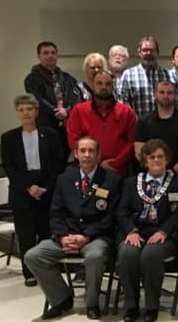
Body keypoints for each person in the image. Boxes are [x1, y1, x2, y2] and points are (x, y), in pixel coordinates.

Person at [24, 137, 119, 320]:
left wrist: (86, 236)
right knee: (33, 256)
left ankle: (92, 304)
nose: (87, 155)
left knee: (95, 257)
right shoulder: (64, 179)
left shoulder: (111, 180)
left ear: (99, 155)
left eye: (91, 151)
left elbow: (111, 217)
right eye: (82, 151)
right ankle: (61, 299)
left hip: (95, 237)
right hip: (66, 236)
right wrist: (62, 237)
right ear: (76, 154)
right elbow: (55, 213)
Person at [116, 140, 178, 322]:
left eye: (160, 157)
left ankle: (151, 307)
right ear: (145, 161)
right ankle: (131, 306)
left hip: (166, 235)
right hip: (137, 232)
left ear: (167, 160)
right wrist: (131, 231)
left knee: (150, 254)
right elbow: (122, 211)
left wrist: (164, 231)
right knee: (126, 253)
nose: (156, 160)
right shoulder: (131, 183)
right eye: (151, 157)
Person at [1, 94, 65, 287]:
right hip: (22, 192)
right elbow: (10, 167)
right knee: (26, 235)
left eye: (29, 109)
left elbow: (58, 163)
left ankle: (50, 270)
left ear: (36, 111)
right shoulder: (8, 138)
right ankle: (29, 273)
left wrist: (45, 187)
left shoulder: (50, 135)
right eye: (21, 110)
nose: (26, 113)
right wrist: (29, 186)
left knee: (47, 233)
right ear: (17, 113)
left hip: (47, 190)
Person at [66, 71, 137, 175]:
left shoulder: (126, 112)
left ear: (113, 86)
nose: (104, 87)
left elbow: (132, 142)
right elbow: (73, 141)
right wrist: (93, 163)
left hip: (118, 170)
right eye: (99, 83)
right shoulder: (78, 110)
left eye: (108, 84)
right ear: (92, 85)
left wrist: (115, 163)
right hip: (87, 169)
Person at [24, 41, 82, 156]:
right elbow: (37, 99)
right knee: (47, 158)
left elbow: (76, 97)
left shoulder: (67, 78)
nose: (50, 56)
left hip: (67, 125)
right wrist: (56, 111)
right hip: (45, 125)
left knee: (64, 158)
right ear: (39, 56)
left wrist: (67, 111)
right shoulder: (32, 79)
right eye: (45, 53)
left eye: (53, 53)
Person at [134, 81, 178, 178]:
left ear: (175, 96)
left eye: (169, 93)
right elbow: (139, 152)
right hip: (152, 176)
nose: (165, 96)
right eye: (162, 92)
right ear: (155, 94)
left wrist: (173, 171)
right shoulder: (143, 122)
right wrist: (155, 170)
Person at [119, 36, 178, 116]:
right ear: (139, 52)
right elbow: (123, 103)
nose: (148, 53)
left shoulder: (169, 75)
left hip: (165, 123)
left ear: (157, 53)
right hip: (137, 123)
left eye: (152, 50)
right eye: (145, 50)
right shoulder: (128, 75)